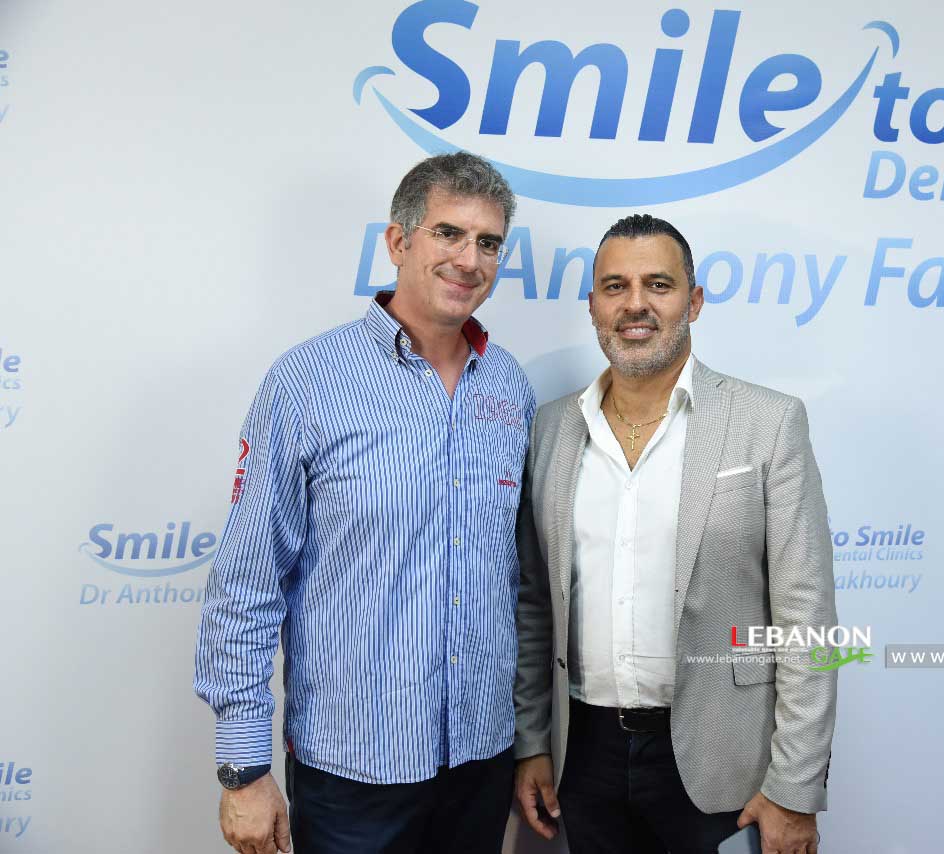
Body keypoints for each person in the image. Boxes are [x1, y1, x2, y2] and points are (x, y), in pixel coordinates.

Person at [194, 151, 534, 854]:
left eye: (488, 242)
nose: (469, 260)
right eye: (448, 233)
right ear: (398, 241)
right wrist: (243, 769)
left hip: (481, 760)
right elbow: (247, 582)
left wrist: (531, 741)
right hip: (352, 770)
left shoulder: (509, 387)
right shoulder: (308, 381)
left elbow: (520, 584)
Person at [512, 214, 838, 854]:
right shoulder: (550, 429)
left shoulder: (769, 422)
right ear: (593, 305)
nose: (635, 304)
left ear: (694, 302)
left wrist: (796, 787)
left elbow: (810, 620)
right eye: (615, 286)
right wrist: (532, 743)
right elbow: (533, 607)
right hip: (584, 755)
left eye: (658, 284)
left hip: (725, 758)